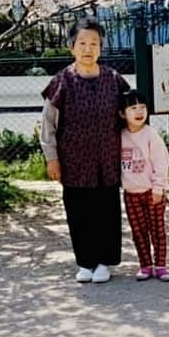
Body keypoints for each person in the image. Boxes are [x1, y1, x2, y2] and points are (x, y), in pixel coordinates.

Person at [40, 16, 130, 284]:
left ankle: (104, 261)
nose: (88, 48)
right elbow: (48, 124)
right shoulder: (62, 82)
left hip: (108, 160)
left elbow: (130, 116)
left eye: (94, 43)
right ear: (72, 47)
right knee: (79, 212)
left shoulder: (114, 79)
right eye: (82, 43)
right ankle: (85, 262)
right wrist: (52, 158)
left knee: (107, 211)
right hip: (75, 161)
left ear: (101, 48)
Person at [118, 89, 169, 282]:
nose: (139, 111)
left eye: (142, 107)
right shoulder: (119, 136)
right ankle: (145, 265)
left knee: (157, 230)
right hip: (130, 193)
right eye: (133, 108)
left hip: (151, 192)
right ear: (122, 113)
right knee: (138, 231)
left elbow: (161, 162)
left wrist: (159, 188)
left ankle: (161, 265)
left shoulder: (150, 135)